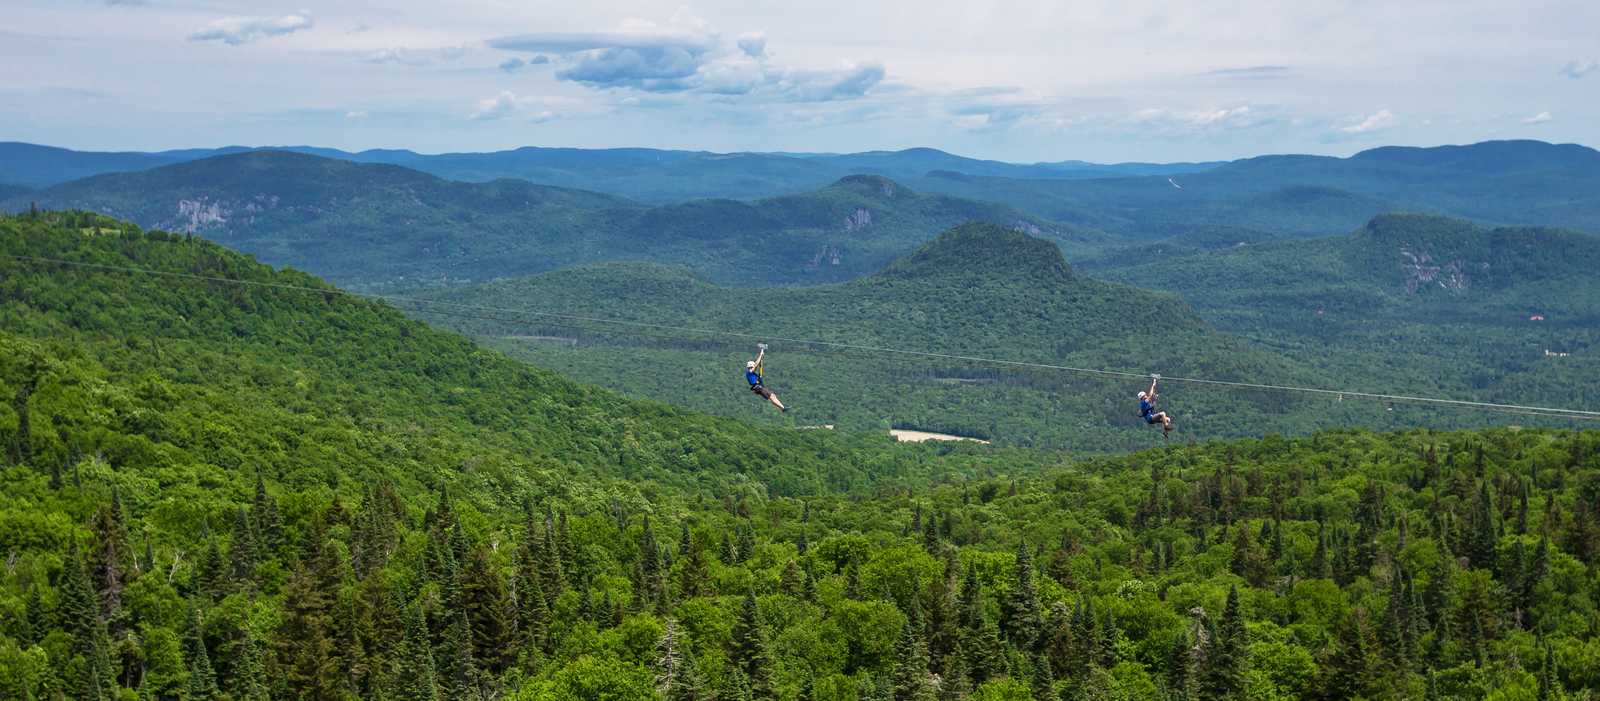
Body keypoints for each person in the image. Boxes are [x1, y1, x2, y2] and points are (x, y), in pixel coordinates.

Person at [746, 345, 787, 412]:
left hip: (759, 387)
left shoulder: (752, 374)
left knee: (772, 396)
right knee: (771, 396)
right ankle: (783, 408)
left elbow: (759, 366)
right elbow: (756, 364)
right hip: (758, 387)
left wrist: (762, 355)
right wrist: (760, 355)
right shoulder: (750, 372)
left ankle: (782, 408)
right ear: (751, 366)